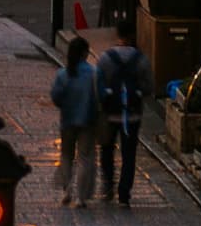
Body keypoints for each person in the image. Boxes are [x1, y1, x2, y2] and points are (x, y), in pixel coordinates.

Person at [96, 21, 154, 208]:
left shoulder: (106, 58)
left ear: (117, 34)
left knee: (107, 149)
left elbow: (98, 84)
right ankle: (124, 193)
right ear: (132, 36)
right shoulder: (141, 59)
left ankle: (108, 184)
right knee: (129, 154)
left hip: (110, 113)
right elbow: (149, 87)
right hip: (132, 114)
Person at [50, 36, 98, 208]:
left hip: (68, 120)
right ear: (85, 53)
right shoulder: (93, 73)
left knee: (67, 156)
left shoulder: (63, 74)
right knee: (85, 158)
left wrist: (65, 105)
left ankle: (67, 191)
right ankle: (81, 197)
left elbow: (55, 96)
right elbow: (98, 97)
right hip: (87, 120)